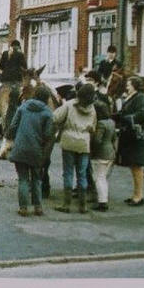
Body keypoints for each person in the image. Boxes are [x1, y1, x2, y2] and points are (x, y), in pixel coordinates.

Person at [7, 85, 54, 217]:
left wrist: (12, 138)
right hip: (36, 150)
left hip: (20, 149)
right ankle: (38, 207)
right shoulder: (48, 113)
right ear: (47, 98)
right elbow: (48, 135)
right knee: (36, 179)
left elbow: (13, 126)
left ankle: (23, 208)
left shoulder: (23, 107)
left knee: (23, 179)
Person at [52, 83, 97, 214]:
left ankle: (66, 204)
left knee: (68, 173)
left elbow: (55, 117)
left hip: (68, 141)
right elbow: (93, 127)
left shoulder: (70, 104)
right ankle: (83, 206)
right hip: (84, 143)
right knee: (82, 174)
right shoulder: (92, 109)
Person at [116, 76, 144, 207]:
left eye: (129, 85)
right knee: (134, 167)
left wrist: (126, 118)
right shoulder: (131, 97)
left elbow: (142, 114)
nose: (127, 87)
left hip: (138, 137)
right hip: (131, 137)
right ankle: (136, 194)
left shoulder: (141, 98)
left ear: (135, 86)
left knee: (137, 167)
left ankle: (139, 196)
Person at [90, 98, 116, 212]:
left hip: (101, 154)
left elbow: (97, 140)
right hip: (110, 152)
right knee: (103, 178)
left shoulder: (100, 124)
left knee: (99, 178)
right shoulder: (111, 122)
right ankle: (102, 199)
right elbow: (114, 138)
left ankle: (102, 202)